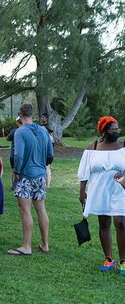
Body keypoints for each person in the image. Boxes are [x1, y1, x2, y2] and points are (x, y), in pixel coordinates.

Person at [78, 116, 125, 273]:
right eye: (113, 129)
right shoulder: (94, 147)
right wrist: (82, 192)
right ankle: (108, 259)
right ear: (104, 130)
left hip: (120, 189)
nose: (116, 132)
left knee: (121, 223)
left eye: (118, 129)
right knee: (104, 224)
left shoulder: (123, 146)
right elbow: (84, 171)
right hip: (99, 190)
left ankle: (124, 262)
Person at [8, 104, 54, 256]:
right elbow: (50, 153)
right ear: (33, 115)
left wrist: (16, 171)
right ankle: (45, 244)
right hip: (40, 174)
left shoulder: (20, 132)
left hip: (25, 175)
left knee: (25, 210)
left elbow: (19, 155)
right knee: (41, 209)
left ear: (20, 115)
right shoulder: (43, 130)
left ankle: (26, 246)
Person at [6, 116, 22, 190]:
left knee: (14, 170)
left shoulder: (14, 131)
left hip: (14, 154)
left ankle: (14, 186)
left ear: (17, 122)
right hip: (23, 154)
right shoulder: (27, 131)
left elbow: (7, 138)